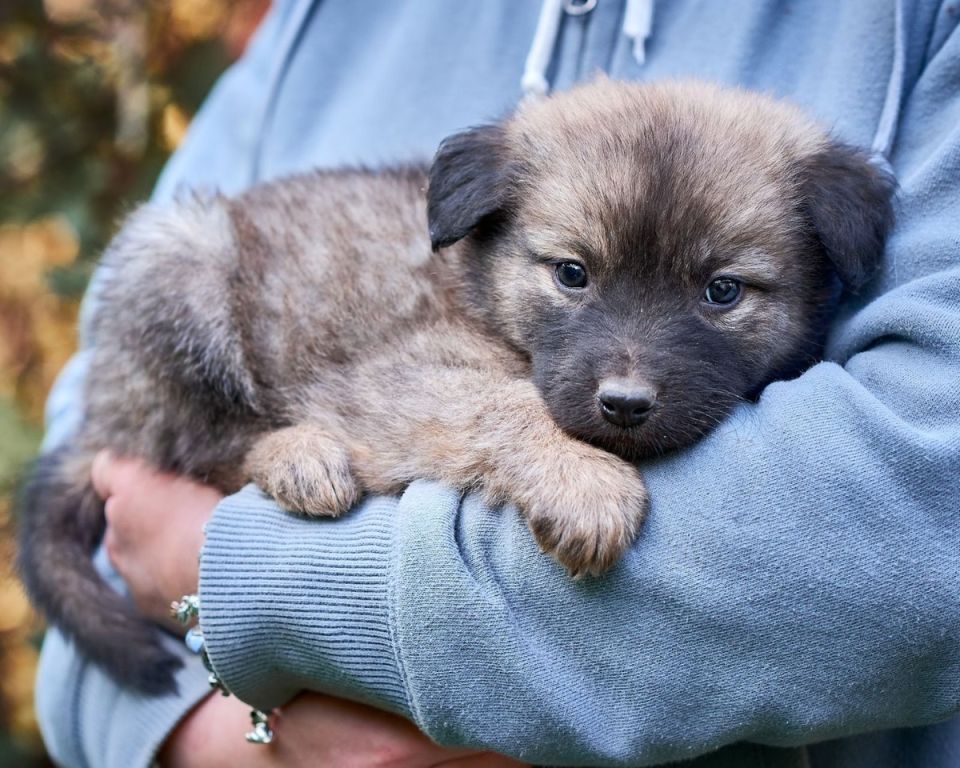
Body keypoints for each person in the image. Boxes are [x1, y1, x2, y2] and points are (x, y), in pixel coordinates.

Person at [34, 0, 960, 766]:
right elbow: (108, 468)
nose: (629, 380)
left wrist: (231, 571)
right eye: (572, 276)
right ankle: (249, 451)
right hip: (232, 370)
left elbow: (916, 525)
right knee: (176, 256)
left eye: (722, 293)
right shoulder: (321, 29)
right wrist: (199, 740)